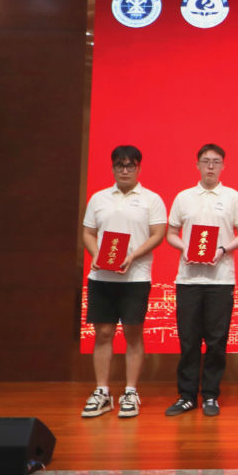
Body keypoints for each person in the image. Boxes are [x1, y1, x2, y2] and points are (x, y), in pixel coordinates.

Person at [80, 145, 167, 419]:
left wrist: (132, 256)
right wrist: (96, 254)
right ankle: (102, 392)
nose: (125, 170)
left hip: (135, 277)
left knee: (133, 334)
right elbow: (88, 233)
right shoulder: (99, 198)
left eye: (130, 166)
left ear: (139, 168)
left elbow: (158, 234)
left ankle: (130, 392)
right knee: (103, 334)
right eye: (120, 165)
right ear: (113, 168)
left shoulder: (151, 199)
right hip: (101, 277)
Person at [163, 144, 238, 418]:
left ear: (223, 166)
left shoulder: (233, 197)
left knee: (216, 340)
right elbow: (171, 233)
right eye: (205, 161)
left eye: (216, 162)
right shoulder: (184, 197)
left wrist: (222, 249)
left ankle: (211, 395)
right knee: (188, 340)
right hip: (188, 279)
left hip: (221, 280)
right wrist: (185, 248)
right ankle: (187, 396)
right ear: (197, 165)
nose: (210, 166)